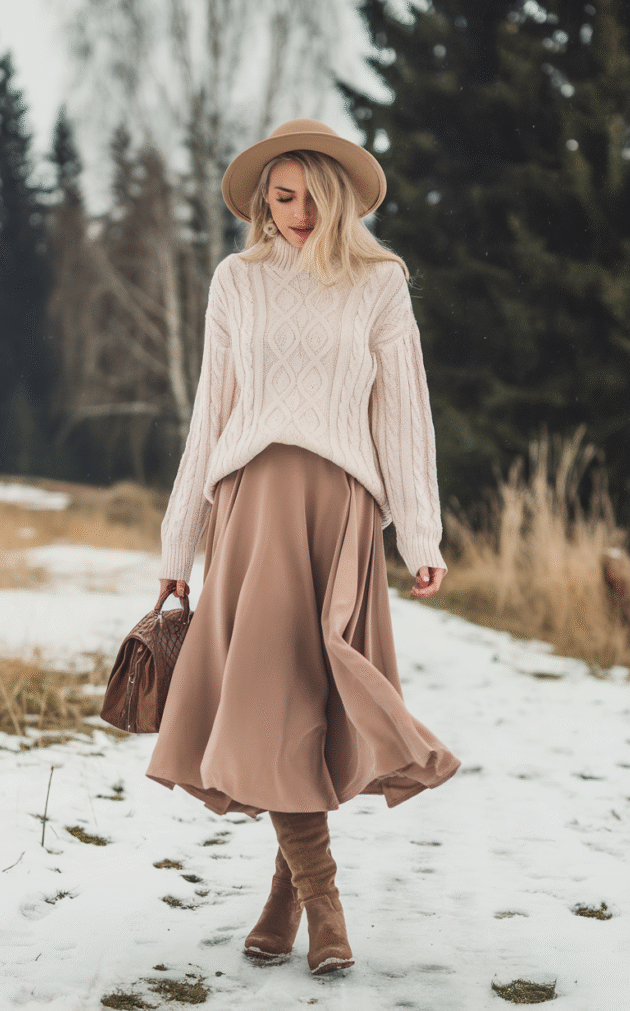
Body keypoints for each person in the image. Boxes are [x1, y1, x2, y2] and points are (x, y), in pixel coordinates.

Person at [146, 118, 461, 977]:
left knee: (315, 702)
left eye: (312, 196)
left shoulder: (380, 281)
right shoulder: (235, 281)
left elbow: (403, 415)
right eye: (280, 196)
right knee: (276, 700)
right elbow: (209, 415)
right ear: (260, 201)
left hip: (340, 510)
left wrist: (418, 530)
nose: (296, 211)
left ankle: (289, 896)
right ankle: (321, 905)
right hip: (251, 509)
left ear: (343, 199)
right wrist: (180, 541)